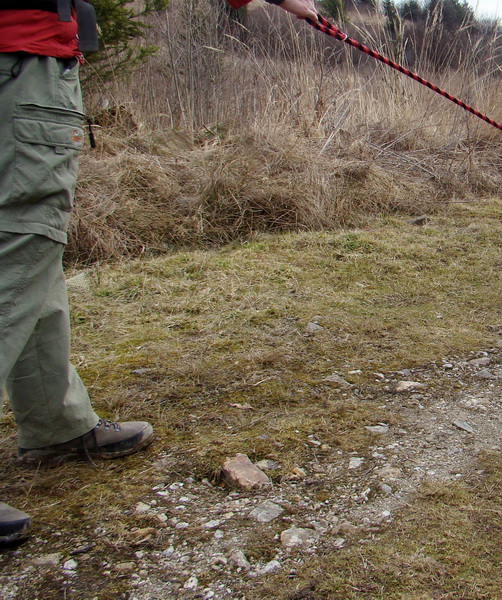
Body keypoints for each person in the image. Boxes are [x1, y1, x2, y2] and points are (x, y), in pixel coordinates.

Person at [0, 0, 315, 546]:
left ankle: (55, 422)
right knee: (20, 249)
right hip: (19, 62)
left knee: (32, 255)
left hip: (23, 62)